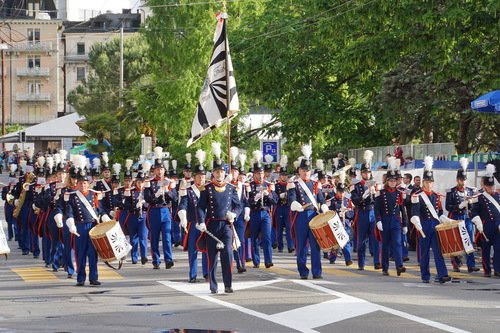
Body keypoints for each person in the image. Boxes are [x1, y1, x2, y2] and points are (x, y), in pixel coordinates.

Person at [196, 142, 241, 294]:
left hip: (226, 226)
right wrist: (201, 221)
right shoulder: (206, 188)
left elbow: (238, 205)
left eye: (221, 172)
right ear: (212, 173)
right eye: (216, 172)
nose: (219, 174)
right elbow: (201, 207)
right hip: (212, 225)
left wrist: (234, 214)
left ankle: (228, 285)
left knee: (228, 254)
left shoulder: (230, 188)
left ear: (225, 173)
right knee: (212, 258)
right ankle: (213, 285)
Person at [65, 157, 111, 286]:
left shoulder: (93, 194)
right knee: (80, 253)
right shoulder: (72, 197)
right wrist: (71, 224)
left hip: (93, 226)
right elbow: (69, 212)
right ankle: (80, 278)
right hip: (80, 227)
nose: (83, 185)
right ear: (77, 184)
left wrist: (105, 217)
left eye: (85, 183)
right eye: (80, 183)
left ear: (88, 183)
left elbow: (99, 210)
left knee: (93, 253)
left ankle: (93, 277)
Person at [288, 144, 329, 279]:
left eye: (308, 170)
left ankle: (317, 272)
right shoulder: (294, 184)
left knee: (315, 245)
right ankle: (303, 272)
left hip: (314, 216)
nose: (306, 172)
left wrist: (324, 207)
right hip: (301, 216)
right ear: (299, 171)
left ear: (311, 172)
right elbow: (291, 199)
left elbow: (321, 199)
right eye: (303, 170)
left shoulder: (316, 184)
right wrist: (296, 205)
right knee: (301, 246)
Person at [410, 156, 451, 284]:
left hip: (435, 225)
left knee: (438, 251)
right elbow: (415, 211)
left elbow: (438, 212)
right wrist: (416, 220)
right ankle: (425, 275)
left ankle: (442, 274)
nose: (429, 184)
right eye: (427, 182)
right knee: (424, 252)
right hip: (423, 224)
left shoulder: (436, 196)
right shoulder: (418, 196)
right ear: (423, 183)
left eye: (431, 182)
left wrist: (443, 217)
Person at [178, 150, 209, 282]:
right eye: (198, 176)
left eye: (203, 176)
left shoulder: (208, 190)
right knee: (193, 250)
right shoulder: (188, 191)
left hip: (206, 224)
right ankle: (193, 275)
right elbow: (182, 205)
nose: (201, 178)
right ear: (194, 177)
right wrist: (183, 217)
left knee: (207, 249)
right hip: (193, 223)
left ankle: (207, 273)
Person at [144, 147, 176, 269]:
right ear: (154, 170)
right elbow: (147, 198)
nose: (160, 171)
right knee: (154, 237)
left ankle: (169, 259)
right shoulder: (149, 182)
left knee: (167, 236)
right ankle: (156, 260)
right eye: (157, 169)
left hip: (165, 210)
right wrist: (156, 195)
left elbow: (174, 198)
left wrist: (167, 191)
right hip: (154, 210)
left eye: (161, 169)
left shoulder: (169, 181)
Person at [445, 158, 479, 273]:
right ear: (457, 180)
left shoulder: (471, 191)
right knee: (456, 241)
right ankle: (456, 263)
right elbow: (447, 206)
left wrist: (471, 203)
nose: (462, 182)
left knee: (469, 241)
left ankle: (471, 264)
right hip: (455, 217)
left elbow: (475, 206)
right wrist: (458, 206)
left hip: (466, 217)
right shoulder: (451, 191)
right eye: (460, 179)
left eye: (464, 179)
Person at [375, 157, 407, 276]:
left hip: (395, 220)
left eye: (395, 181)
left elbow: (402, 209)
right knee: (385, 245)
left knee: (397, 243)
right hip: (384, 219)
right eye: (391, 181)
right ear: (387, 181)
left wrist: (405, 224)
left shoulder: (399, 193)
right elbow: (377, 208)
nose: (393, 183)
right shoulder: (381, 193)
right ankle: (385, 267)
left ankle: (399, 265)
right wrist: (378, 221)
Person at [350, 150, 381, 270]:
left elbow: (379, 201)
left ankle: (377, 262)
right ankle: (361, 263)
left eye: (368, 172)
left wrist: (374, 193)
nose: (367, 175)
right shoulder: (356, 185)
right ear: (361, 173)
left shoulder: (374, 183)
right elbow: (354, 201)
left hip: (372, 211)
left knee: (375, 238)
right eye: (364, 173)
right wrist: (363, 196)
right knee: (361, 240)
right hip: (362, 212)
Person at [247, 150, 277, 269]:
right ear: (254, 174)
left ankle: (268, 260)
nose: (260, 175)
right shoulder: (250, 185)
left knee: (267, 237)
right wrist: (255, 198)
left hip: (265, 213)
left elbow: (275, 200)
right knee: (254, 238)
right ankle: (256, 261)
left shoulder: (269, 184)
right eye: (257, 173)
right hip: (254, 213)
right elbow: (247, 201)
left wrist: (268, 195)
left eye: (261, 173)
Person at [471, 164, 500, 277]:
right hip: (486, 225)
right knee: (486, 249)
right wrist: (477, 221)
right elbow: (474, 212)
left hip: (498, 226)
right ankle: (487, 269)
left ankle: (497, 269)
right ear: (485, 187)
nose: (491, 188)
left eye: (492, 186)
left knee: (498, 248)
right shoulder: (479, 197)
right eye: (489, 186)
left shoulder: (498, 196)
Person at [123, 168, 149, 265]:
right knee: (133, 239)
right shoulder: (131, 191)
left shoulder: (146, 191)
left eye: (142, 182)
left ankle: (144, 256)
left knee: (143, 237)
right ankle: (134, 257)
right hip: (133, 216)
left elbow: (150, 202)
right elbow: (126, 204)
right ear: (136, 182)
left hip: (143, 216)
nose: (140, 184)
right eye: (139, 182)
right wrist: (134, 206)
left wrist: (144, 203)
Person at [274, 156, 294, 254]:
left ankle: (290, 246)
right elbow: (273, 197)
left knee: (289, 227)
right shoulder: (276, 185)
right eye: (282, 175)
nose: (284, 176)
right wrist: (279, 196)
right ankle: (280, 246)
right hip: (279, 208)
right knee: (279, 228)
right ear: (280, 176)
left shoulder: (290, 184)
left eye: (286, 175)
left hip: (288, 208)